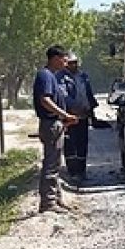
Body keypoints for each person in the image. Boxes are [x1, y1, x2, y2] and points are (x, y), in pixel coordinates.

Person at [33, 45, 79, 214]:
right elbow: (45, 100)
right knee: (51, 165)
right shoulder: (45, 76)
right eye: (64, 59)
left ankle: (57, 199)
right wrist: (64, 114)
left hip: (54, 123)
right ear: (55, 58)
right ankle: (48, 203)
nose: (66, 62)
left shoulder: (52, 76)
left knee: (56, 163)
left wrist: (63, 120)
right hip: (50, 124)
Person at [59, 52, 99, 181]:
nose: (74, 65)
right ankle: (72, 171)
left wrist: (91, 111)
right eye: (71, 63)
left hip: (83, 115)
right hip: (69, 116)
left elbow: (88, 94)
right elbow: (63, 96)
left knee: (82, 143)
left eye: (75, 62)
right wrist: (72, 109)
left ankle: (82, 170)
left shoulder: (83, 76)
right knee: (70, 144)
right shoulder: (61, 77)